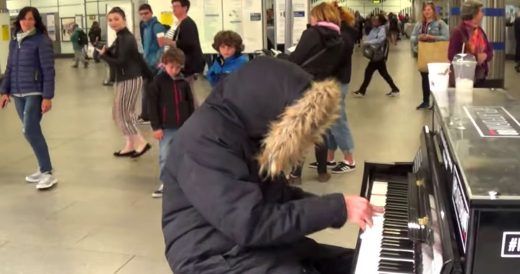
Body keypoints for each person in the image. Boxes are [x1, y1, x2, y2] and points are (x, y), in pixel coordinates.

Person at [161, 56, 382, 274]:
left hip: (248, 243)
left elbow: (278, 197)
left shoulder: (248, 128)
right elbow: (250, 224)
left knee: (356, 262)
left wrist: (340, 207)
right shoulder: (203, 141)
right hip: (209, 257)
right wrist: (336, 209)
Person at [284, 2, 344, 184]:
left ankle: (295, 174)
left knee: (302, 129)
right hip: (324, 86)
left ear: (318, 16)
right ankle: (322, 172)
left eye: (312, 15)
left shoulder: (311, 34)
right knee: (321, 130)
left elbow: (296, 59)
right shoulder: (339, 39)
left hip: (304, 86)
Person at [0, 7, 58, 190]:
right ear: (19, 21)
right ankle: (42, 168)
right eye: (24, 19)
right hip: (17, 93)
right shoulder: (14, 41)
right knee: (30, 129)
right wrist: (4, 91)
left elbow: (48, 70)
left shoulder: (41, 41)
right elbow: (9, 68)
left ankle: (47, 172)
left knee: (29, 129)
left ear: (36, 21)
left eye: (31, 19)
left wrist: (47, 96)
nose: (27, 22)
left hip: (34, 92)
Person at [97, 7, 152, 158]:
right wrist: (107, 52)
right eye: (110, 20)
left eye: (116, 19)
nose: (113, 22)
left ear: (124, 20)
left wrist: (104, 56)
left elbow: (121, 62)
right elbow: (121, 56)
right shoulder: (121, 37)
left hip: (130, 79)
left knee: (124, 114)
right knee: (118, 114)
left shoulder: (126, 38)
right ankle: (130, 143)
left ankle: (141, 142)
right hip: (124, 79)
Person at [148, 47, 194, 198]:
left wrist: (192, 122)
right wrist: (156, 127)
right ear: (164, 64)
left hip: (184, 126)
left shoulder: (183, 82)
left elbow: (190, 103)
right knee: (165, 155)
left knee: (185, 154)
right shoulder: (157, 83)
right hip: (166, 128)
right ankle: (166, 183)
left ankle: (184, 181)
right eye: (171, 67)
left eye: (178, 67)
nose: (174, 70)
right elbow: (152, 106)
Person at [326, 2, 357, 174]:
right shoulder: (341, 33)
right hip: (334, 80)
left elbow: (334, 59)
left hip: (338, 80)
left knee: (337, 119)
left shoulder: (343, 36)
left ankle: (349, 159)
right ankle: (330, 157)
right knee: (330, 121)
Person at [159, 0, 204, 107]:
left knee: (188, 92)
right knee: (185, 92)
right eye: (172, 6)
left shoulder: (188, 24)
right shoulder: (178, 23)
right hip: (180, 62)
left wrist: (168, 42)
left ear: (185, 8)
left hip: (187, 64)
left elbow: (189, 44)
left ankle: (194, 115)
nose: (173, 9)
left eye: (176, 6)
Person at [411, 2, 449, 109]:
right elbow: (412, 37)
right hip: (423, 55)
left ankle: (435, 102)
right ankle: (425, 101)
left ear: (433, 11)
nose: (427, 12)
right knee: (424, 79)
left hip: (436, 56)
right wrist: (419, 37)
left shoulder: (440, 23)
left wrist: (432, 37)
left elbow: (446, 37)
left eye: (429, 10)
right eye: (425, 10)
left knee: (436, 79)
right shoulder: (419, 24)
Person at [448, 0, 493, 86]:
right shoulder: (458, 32)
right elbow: (452, 55)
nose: (482, 14)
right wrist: (476, 58)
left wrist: (485, 55)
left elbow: (490, 50)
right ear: (474, 13)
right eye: (481, 11)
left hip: (480, 77)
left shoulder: (480, 31)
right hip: (463, 79)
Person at [354, 14, 400, 97]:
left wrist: (368, 42)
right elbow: (369, 37)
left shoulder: (381, 29)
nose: (373, 21)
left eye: (376, 20)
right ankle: (395, 89)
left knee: (369, 72)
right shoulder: (374, 29)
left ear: (380, 22)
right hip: (376, 55)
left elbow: (380, 40)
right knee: (384, 74)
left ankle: (362, 91)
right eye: (373, 20)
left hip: (378, 55)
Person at [138, 3, 166, 123]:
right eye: (141, 14)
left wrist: (157, 62)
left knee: (150, 90)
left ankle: (148, 115)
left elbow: (163, 46)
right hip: (147, 64)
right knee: (146, 90)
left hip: (154, 65)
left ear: (151, 12)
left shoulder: (157, 27)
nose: (144, 16)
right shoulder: (146, 27)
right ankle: (145, 115)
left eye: (146, 13)